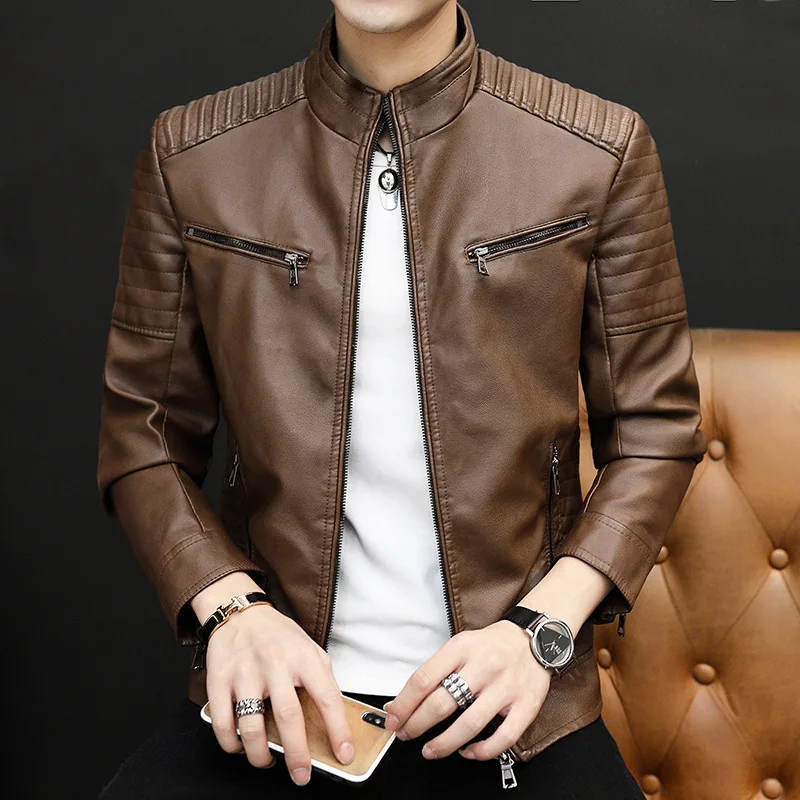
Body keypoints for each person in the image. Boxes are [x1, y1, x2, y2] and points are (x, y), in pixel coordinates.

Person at [95, 1, 707, 797]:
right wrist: (233, 613)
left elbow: (657, 429)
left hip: (516, 710)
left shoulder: (597, 149)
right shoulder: (193, 152)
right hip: (276, 706)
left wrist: (538, 632)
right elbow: (143, 434)